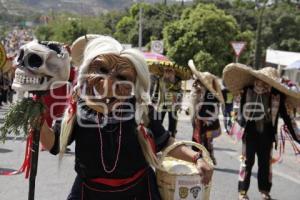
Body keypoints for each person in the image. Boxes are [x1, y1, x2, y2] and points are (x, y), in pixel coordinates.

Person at [40, 35, 213, 200]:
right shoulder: (77, 107)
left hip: (139, 191)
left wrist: (197, 158)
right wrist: (37, 120)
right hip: (89, 193)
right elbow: (54, 144)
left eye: (121, 77)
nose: (108, 83)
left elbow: (166, 142)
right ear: (86, 72)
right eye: (102, 70)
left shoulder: (140, 109)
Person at [223, 63, 300, 200]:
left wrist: (297, 136)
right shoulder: (247, 90)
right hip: (249, 133)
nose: (263, 83)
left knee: (265, 163)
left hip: (267, 135)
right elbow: (238, 110)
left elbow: (287, 117)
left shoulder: (277, 95)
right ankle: (242, 192)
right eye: (262, 80)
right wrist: (234, 126)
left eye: (268, 82)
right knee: (247, 162)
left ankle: (264, 191)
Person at [188, 60, 224, 165]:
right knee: (196, 140)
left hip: (207, 120)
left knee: (206, 141)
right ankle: (196, 158)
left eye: (200, 81)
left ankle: (208, 158)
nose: (197, 83)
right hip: (199, 119)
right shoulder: (197, 90)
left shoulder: (211, 94)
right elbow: (193, 103)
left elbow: (212, 107)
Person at [157, 67, 183, 137]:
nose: (168, 71)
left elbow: (177, 89)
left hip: (172, 103)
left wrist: (172, 78)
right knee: (158, 120)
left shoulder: (177, 80)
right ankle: (158, 134)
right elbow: (157, 90)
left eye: (170, 70)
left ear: (174, 71)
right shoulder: (160, 79)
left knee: (172, 120)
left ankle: (172, 135)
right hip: (162, 102)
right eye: (166, 70)